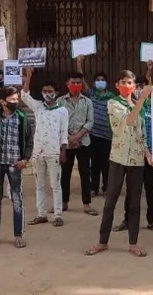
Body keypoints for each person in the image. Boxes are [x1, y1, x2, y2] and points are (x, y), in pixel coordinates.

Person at [85, 71, 153, 258]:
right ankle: (102, 241)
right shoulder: (114, 103)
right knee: (110, 202)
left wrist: (148, 155)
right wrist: (143, 98)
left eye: (129, 82)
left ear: (134, 85)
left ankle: (133, 243)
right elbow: (128, 121)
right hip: (118, 158)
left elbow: (142, 135)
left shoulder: (139, 106)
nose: (127, 85)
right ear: (117, 85)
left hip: (137, 161)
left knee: (134, 203)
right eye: (123, 82)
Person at [114, 68, 153, 234]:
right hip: (132, 154)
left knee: (149, 188)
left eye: (143, 86)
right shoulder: (128, 106)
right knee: (131, 189)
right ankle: (127, 220)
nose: (139, 89)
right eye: (138, 86)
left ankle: (152, 219)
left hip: (150, 155)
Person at [0, 85, 32, 249]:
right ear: (2, 101)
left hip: (15, 163)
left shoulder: (22, 117)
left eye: (17, 99)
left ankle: (18, 235)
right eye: (12, 99)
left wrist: (25, 159)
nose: (16, 102)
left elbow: (29, 140)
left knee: (17, 199)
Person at [21, 67, 70, 227]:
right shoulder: (38, 107)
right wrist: (28, 76)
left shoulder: (62, 111)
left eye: (50, 91)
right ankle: (41, 214)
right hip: (38, 153)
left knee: (55, 185)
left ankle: (57, 215)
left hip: (54, 152)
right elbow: (24, 95)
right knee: (39, 185)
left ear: (56, 92)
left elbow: (64, 132)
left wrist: (63, 151)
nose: (47, 93)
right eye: (44, 91)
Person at [57, 70, 98, 215]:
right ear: (67, 84)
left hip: (83, 142)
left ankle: (86, 204)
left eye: (78, 82)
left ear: (82, 84)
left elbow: (90, 121)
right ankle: (64, 202)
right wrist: (69, 138)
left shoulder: (87, 102)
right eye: (73, 82)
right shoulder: (60, 101)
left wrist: (78, 136)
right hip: (65, 143)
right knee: (65, 173)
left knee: (85, 173)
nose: (76, 85)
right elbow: (57, 122)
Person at [89, 71, 115, 196]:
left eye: (102, 79)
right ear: (94, 83)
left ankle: (106, 187)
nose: (100, 81)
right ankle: (94, 187)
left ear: (106, 83)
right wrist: (78, 64)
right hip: (93, 135)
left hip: (108, 136)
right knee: (94, 163)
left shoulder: (111, 97)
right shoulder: (91, 95)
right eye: (98, 79)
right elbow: (82, 83)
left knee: (106, 164)